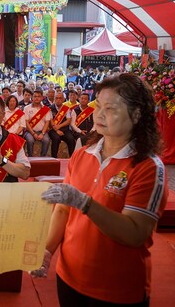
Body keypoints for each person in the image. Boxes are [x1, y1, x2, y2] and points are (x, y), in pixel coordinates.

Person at [32, 74, 169, 306]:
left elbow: (135, 233)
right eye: (98, 105)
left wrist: (86, 204)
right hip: (69, 276)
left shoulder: (147, 167)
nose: (100, 114)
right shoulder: (82, 153)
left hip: (116, 288)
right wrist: (47, 251)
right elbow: (63, 211)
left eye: (111, 108)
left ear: (136, 115)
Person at [24, 90, 52, 157]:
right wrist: (33, 133)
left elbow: (47, 122)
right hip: (30, 131)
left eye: (39, 96)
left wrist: (42, 133)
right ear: (32, 98)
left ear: (42, 98)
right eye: (35, 96)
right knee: (30, 140)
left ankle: (43, 158)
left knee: (46, 140)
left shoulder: (46, 109)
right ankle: (30, 158)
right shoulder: (27, 108)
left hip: (42, 131)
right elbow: (26, 122)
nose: (36, 98)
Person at [48, 92, 76, 158]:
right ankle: (54, 159)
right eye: (56, 98)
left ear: (63, 99)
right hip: (53, 130)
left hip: (65, 129)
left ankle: (72, 159)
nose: (58, 100)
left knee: (71, 139)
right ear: (54, 99)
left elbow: (68, 120)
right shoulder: (50, 108)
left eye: (60, 98)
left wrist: (59, 126)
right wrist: (57, 130)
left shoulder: (66, 108)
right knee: (56, 139)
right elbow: (50, 121)